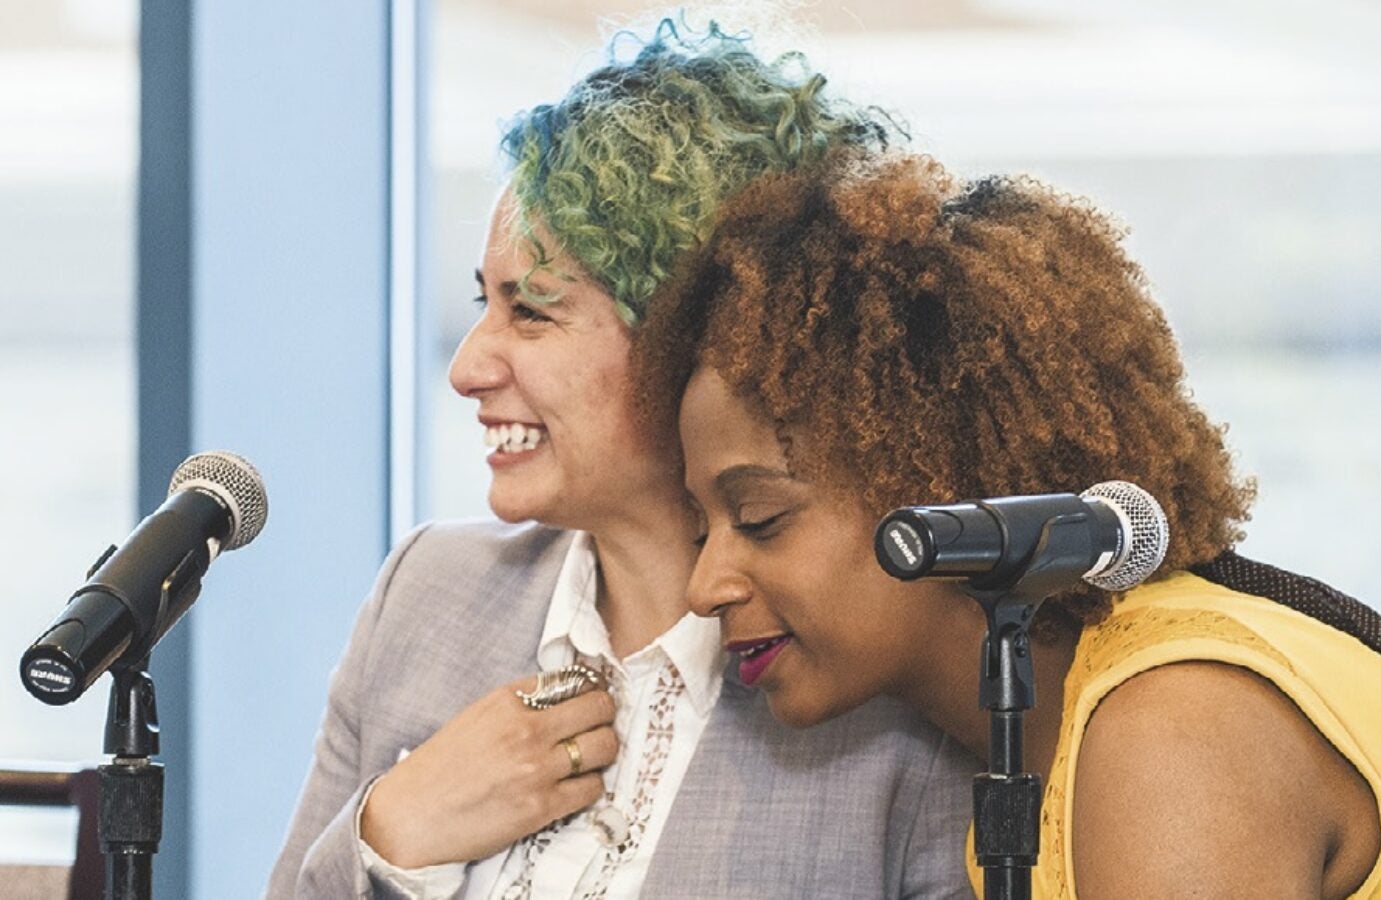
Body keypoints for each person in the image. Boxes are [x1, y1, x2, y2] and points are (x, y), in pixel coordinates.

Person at [634, 151, 1381, 898]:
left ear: (945, 481)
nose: (706, 583)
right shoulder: (1049, 747)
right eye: (700, 527)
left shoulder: (1170, 728)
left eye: (760, 517)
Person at [266, 21, 979, 899]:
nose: (466, 370)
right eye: (482, 304)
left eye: (531, 312)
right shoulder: (423, 596)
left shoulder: (887, 683)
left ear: (693, 339)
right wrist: (391, 835)